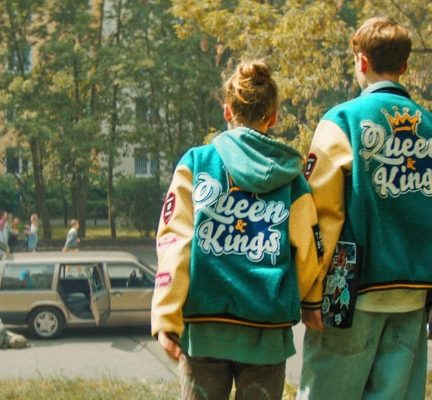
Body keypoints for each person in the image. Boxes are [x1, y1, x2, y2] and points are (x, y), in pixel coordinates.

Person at [151, 59, 324, 400]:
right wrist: (304, 298)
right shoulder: (292, 180)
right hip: (267, 333)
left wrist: (166, 314)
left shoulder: (196, 164)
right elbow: (309, 252)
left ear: (228, 111)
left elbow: (175, 242)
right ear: (272, 117)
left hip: (204, 329)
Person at [297, 17, 432, 400]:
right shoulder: (429, 125)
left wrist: (311, 291)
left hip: (349, 294)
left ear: (361, 61)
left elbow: (320, 216)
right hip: (414, 295)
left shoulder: (342, 122)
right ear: (404, 65)